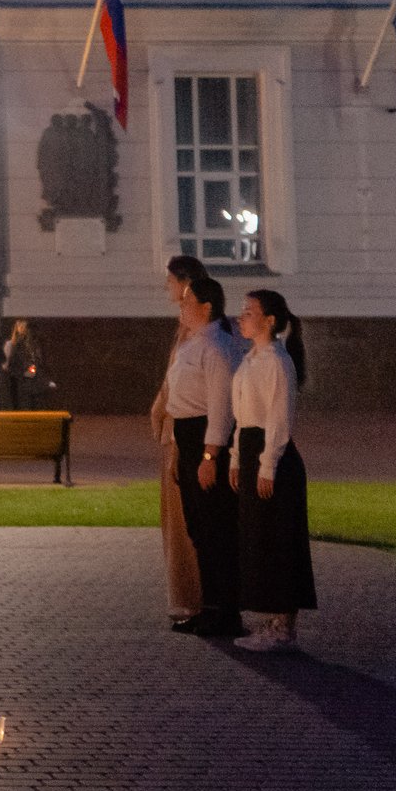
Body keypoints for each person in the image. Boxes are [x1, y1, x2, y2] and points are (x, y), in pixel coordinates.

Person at [230, 289, 313, 653]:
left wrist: (268, 465)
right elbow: (242, 415)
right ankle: (270, 621)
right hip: (251, 451)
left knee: (280, 539)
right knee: (260, 537)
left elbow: (279, 418)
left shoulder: (277, 362)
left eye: (250, 312)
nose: (241, 317)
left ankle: (283, 626)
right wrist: (236, 458)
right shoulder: (251, 359)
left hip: (272, 456)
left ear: (270, 321)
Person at [164, 270, 246, 639]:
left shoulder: (216, 347)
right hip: (188, 437)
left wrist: (210, 457)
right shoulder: (193, 343)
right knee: (200, 529)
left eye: (187, 301)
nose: (180, 306)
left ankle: (225, 612)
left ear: (206, 306)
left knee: (215, 529)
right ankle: (209, 606)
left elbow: (221, 407)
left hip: (206, 440)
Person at [148, 257, 209, 625]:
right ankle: (187, 596)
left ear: (185, 284)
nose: (168, 289)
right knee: (176, 519)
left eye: (170, 282)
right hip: (175, 428)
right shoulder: (185, 328)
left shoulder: (200, 333)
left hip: (185, 431)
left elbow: (184, 383)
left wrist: (162, 412)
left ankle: (195, 598)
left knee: (187, 519)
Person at [1, 318, 47, 411]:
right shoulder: (13, 345)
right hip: (19, 384)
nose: (22, 327)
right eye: (19, 325)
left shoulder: (35, 344)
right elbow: (7, 367)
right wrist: (23, 373)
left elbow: (41, 362)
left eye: (24, 325)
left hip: (35, 384)